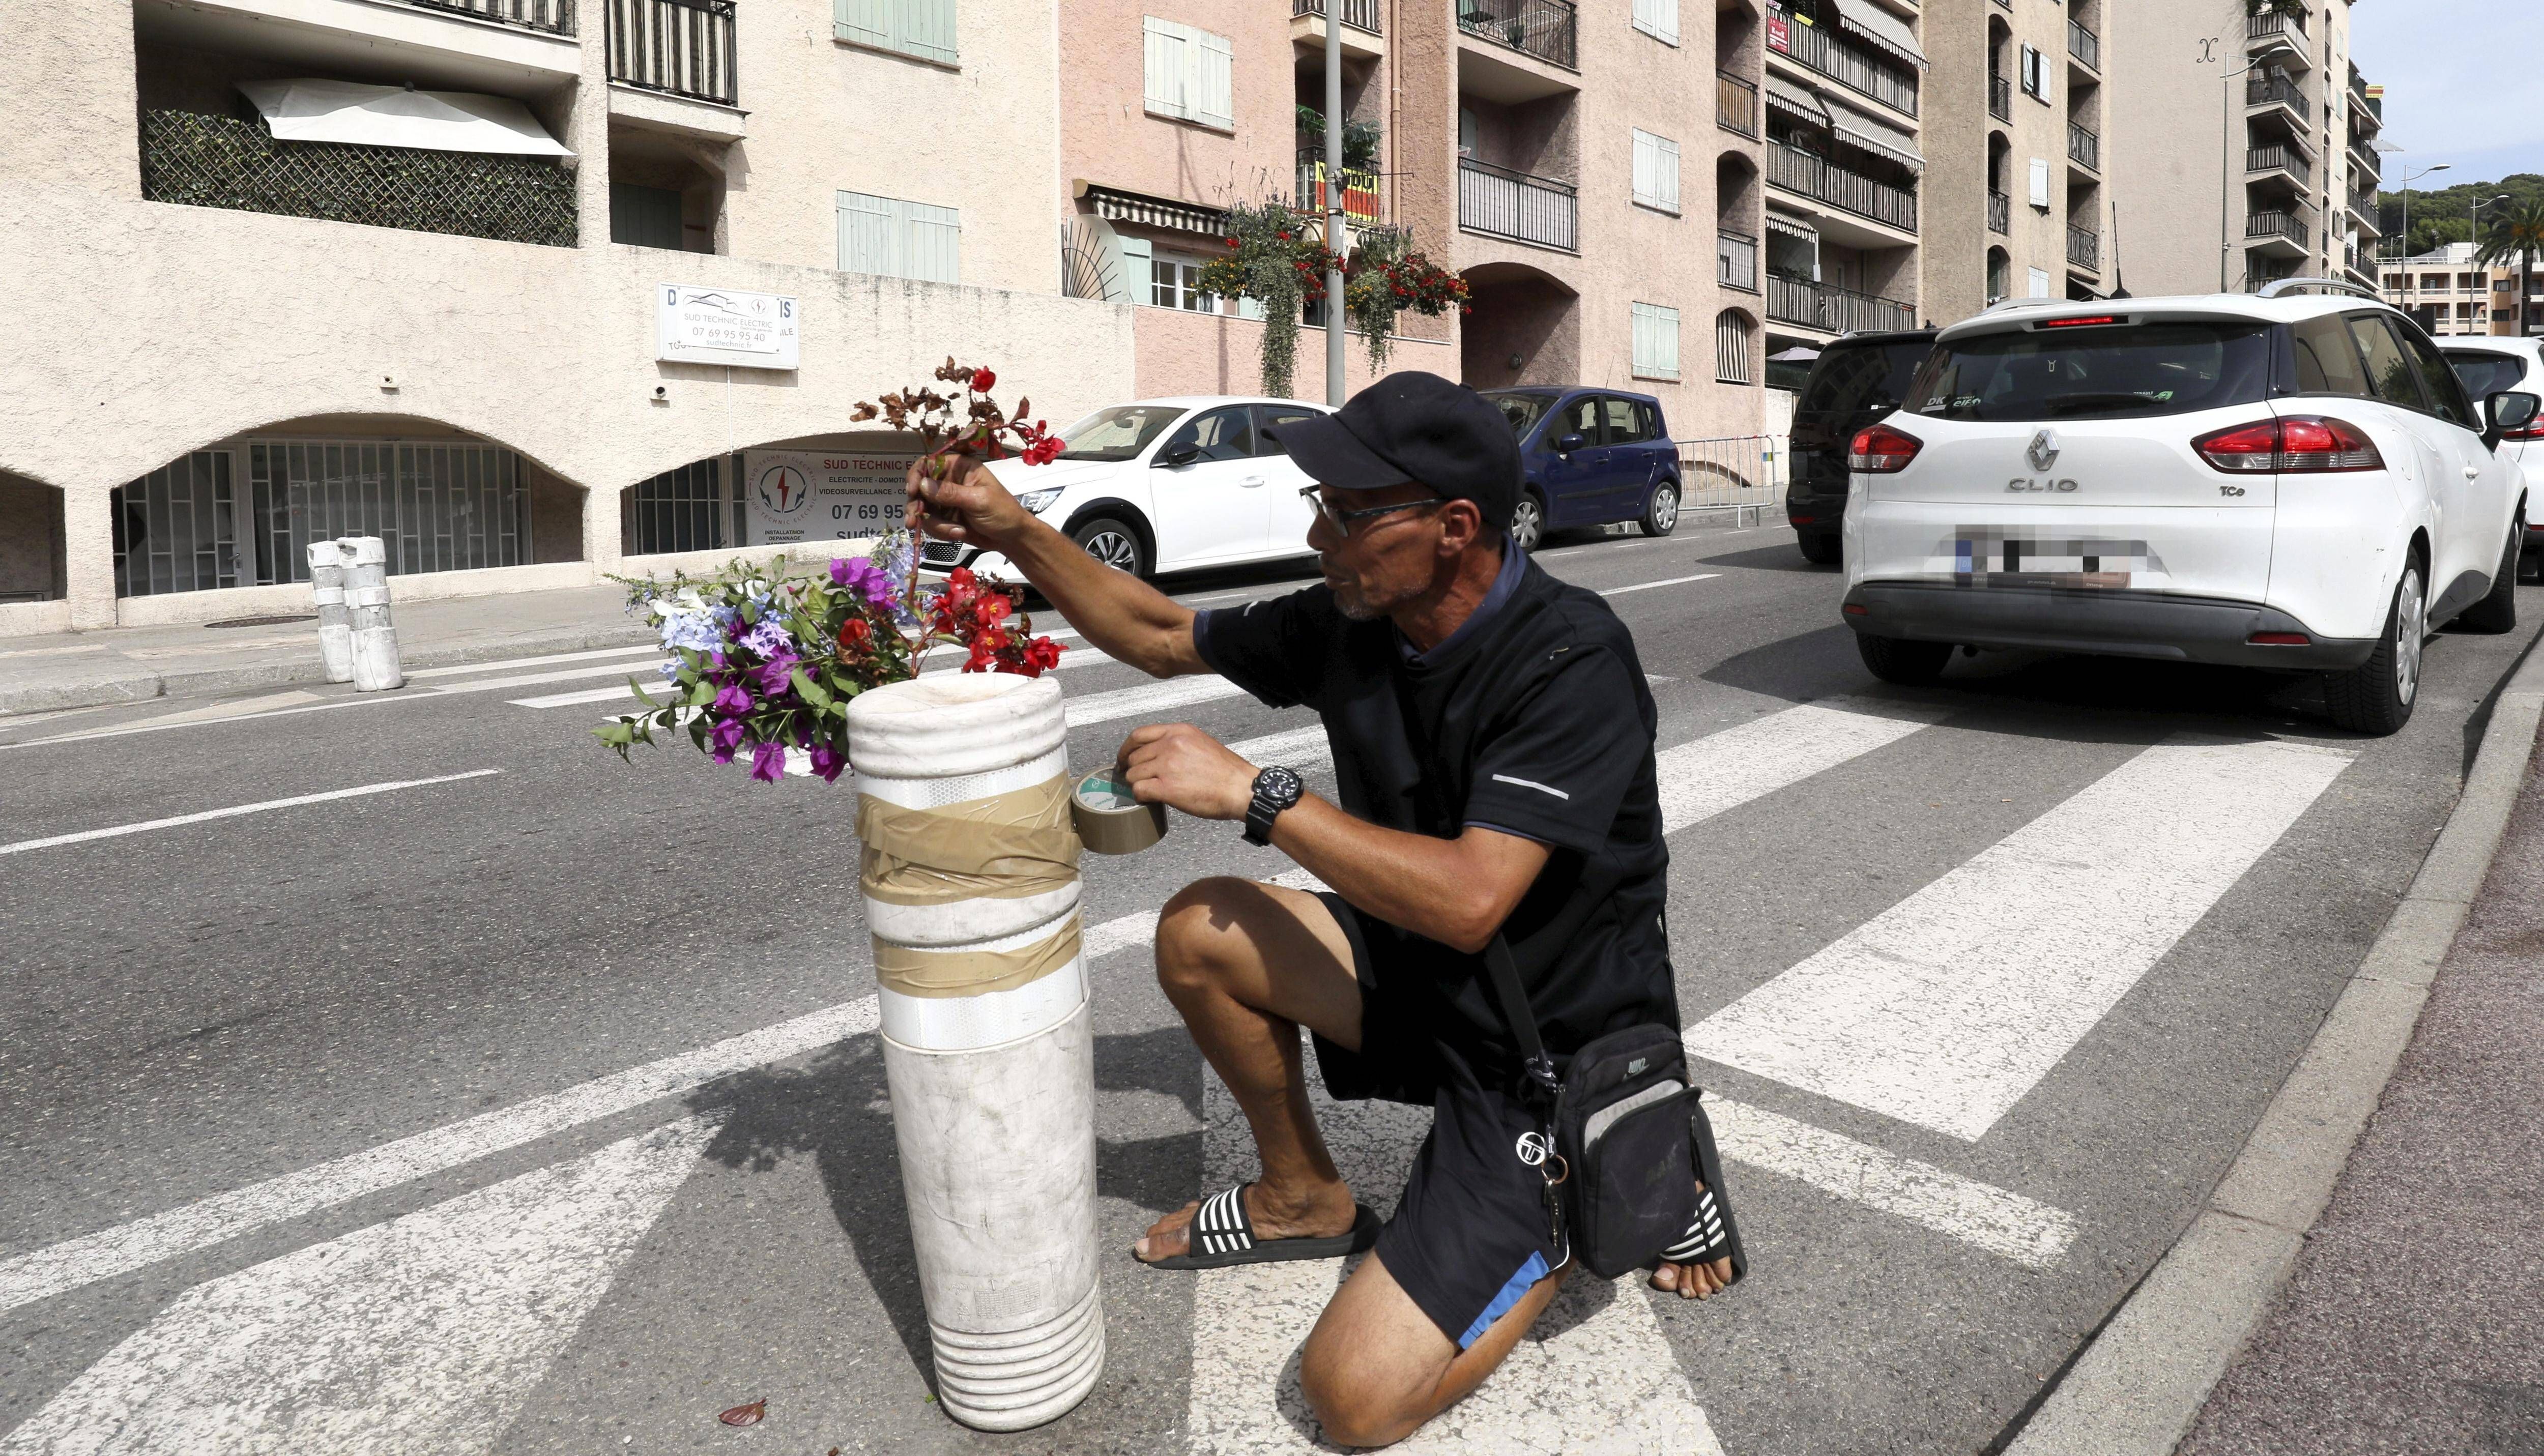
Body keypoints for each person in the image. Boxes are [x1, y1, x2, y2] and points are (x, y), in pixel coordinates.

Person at [903, 372, 1733, 1448]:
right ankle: (1305, 1201)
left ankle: (1600, 1192)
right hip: (1419, 979)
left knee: (1354, 1400)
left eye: (1343, 512)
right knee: (1201, 930)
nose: (1315, 531)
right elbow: (1158, 631)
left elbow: (1474, 900)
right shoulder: (1357, 616)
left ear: (1453, 528)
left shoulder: (1568, 659)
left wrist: (1261, 795)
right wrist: (1015, 532)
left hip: (1545, 1054)